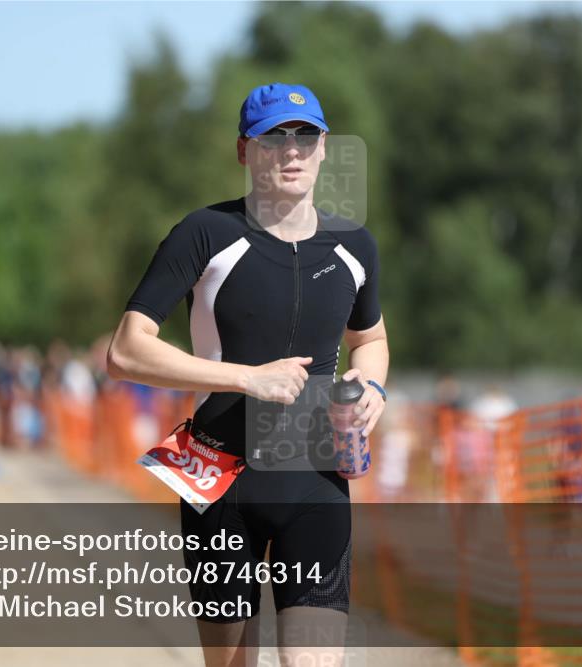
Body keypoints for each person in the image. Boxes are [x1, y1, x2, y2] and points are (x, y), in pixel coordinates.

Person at [107, 82, 389, 667]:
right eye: (273, 139)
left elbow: (372, 340)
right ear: (244, 151)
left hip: (316, 480)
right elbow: (126, 351)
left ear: (324, 147)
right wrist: (247, 378)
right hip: (219, 476)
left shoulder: (355, 246)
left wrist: (372, 387)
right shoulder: (205, 234)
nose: (291, 151)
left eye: (304, 136)